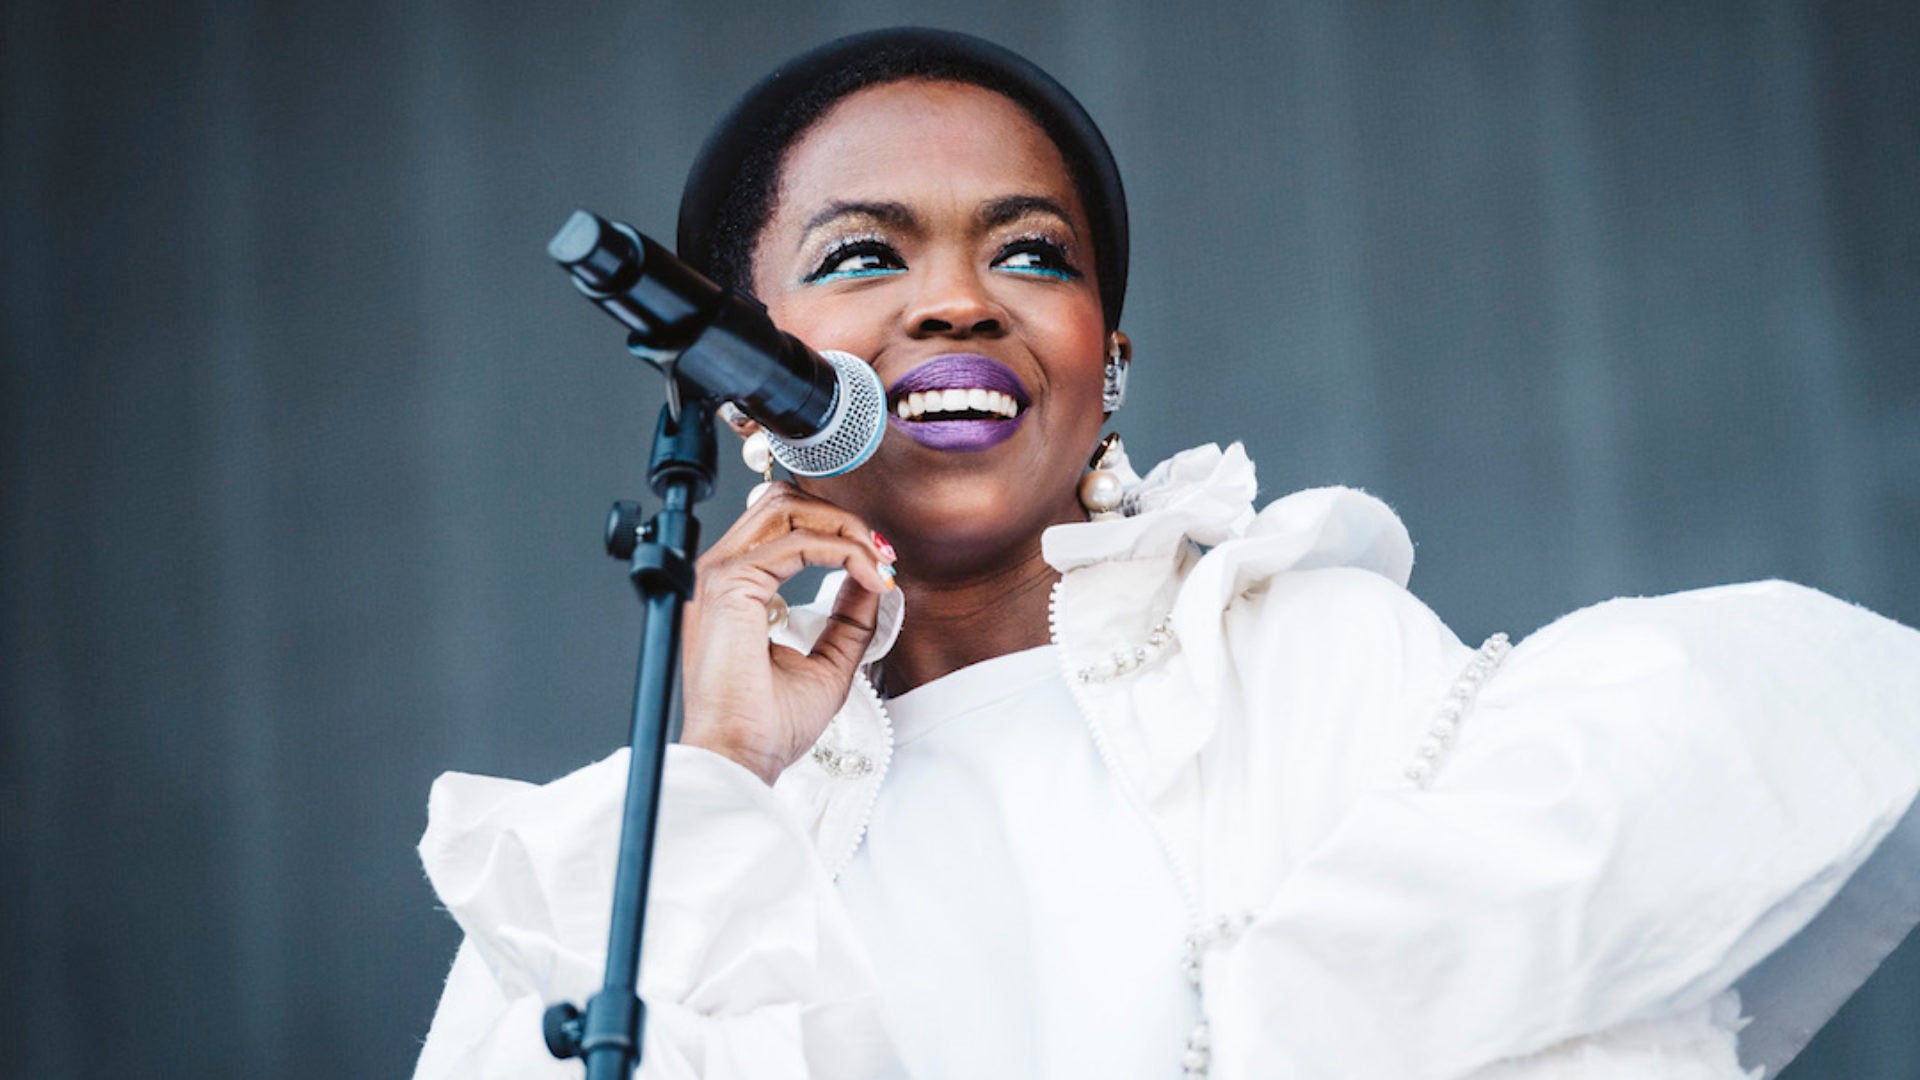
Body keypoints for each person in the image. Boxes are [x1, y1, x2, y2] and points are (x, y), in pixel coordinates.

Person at [413, 28, 1920, 1080]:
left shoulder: (1312, 658)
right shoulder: (641, 847)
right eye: (864, 256)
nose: (960, 301)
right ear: (738, 382)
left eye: (1031, 254)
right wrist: (724, 772)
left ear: (1107, 364)